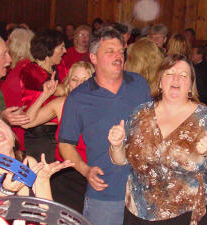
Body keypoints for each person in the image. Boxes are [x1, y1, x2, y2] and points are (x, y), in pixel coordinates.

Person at [108, 54, 207, 225]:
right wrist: (116, 146)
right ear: (160, 82)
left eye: (183, 75)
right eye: (170, 73)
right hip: (138, 213)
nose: (176, 79)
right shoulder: (140, 114)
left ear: (190, 85)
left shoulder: (206, 118)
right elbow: (120, 160)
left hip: (186, 215)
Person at [58, 27, 151, 225]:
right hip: (106, 194)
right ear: (93, 57)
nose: (118, 56)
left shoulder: (139, 84)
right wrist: (85, 170)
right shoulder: (78, 98)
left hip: (143, 192)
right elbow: (65, 144)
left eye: (120, 51)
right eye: (110, 51)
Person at [0, 107, 73, 225]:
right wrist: (7, 193)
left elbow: (48, 222)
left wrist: (42, 181)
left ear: (11, 133)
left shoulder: (29, 163)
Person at [23, 61, 94, 213]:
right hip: (65, 175)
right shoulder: (62, 104)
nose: (79, 84)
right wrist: (44, 95)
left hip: (91, 173)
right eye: (75, 79)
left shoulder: (101, 107)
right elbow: (27, 123)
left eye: (85, 80)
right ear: (69, 83)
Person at [19, 29, 66, 163]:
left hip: (57, 132)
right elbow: (60, 91)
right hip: (39, 134)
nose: (65, 51)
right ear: (49, 49)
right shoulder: (31, 70)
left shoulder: (58, 68)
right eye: (61, 47)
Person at [0, 28, 35, 151]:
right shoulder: (29, 69)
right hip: (22, 133)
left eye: (8, 41)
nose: (5, 43)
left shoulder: (19, 73)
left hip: (19, 136)